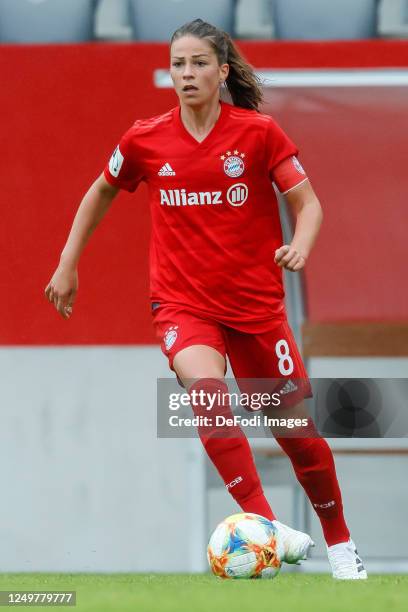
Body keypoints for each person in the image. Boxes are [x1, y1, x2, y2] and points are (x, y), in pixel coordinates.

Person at [45, 19, 366, 580]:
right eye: (178, 64)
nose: (187, 73)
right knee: (207, 396)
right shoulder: (144, 138)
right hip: (181, 304)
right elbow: (100, 190)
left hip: (256, 308)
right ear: (169, 73)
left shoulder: (259, 133)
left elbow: (308, 204)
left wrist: (300, 245)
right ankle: (266, 528)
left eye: (198, 63)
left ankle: (341, 546)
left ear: (222, 71)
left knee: (297, 434)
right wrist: (68, 262)